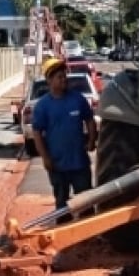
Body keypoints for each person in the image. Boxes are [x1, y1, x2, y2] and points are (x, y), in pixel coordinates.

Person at [32, 57, 97, 210]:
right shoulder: (43, 106)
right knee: (62, 205)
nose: (64, 80)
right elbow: (37, 133)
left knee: (86, 202)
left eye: (64, 76)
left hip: (79, 164)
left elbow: (89, 120)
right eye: (59, 77)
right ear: (49, 80)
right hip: (57, 166)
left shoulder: (77, 99)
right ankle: (64, 230)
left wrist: (91, 140)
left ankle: (87, 232)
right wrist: (45, 158)